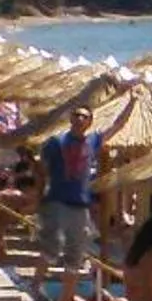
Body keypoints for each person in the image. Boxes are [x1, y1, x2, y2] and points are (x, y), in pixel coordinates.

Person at [35, 102, 102, 290]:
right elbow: (40, 167)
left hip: (80, 205)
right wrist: (40, 197)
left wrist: (131, 103)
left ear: (90, 122)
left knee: (76, 253)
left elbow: (116, 127)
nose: (80, 119)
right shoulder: (56, 141)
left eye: (85, 116)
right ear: (71, 118)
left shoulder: (92, 141)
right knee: (51, 248)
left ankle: (66, 297)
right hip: (57, 200)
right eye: (77, 115)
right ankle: (34, 285)